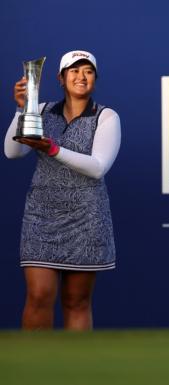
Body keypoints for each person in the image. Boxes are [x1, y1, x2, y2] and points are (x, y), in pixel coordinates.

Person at [4, 50, 121, 330]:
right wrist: (22, 108)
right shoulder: (41, 111)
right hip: (41, 216)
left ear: (95, 78)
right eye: (74, 71)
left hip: (86, 219)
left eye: (88, 71)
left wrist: (53, 149)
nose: (81, 77)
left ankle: (77, 370)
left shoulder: (106, 117)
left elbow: (97, 167)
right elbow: (12, 151)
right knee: (39, 295)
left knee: (76, 300)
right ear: (61, 78)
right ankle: (34, 366)